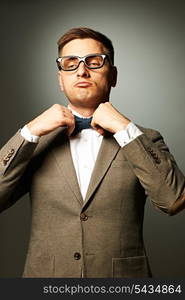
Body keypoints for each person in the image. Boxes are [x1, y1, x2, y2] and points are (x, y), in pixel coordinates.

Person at [0, 27, 185, 278]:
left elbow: (173, 199)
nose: (81, 70)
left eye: (94, 62)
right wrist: (29, 132)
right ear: (60, 79)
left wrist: (124, 128)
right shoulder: (35, 140)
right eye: (70, 63)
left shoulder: (143, 139)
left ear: (113, 75)